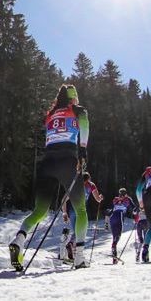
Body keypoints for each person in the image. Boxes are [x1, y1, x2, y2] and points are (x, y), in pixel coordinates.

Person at [9, 84, 90, 270]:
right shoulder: (78, 110)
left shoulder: (51, 114)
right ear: (73, 98)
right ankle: (79, 257)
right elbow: (84, 123)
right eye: (76, 97)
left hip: (47, 162)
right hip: (68, 160)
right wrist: (83, 151)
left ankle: (19, 240)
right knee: (81, 210)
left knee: (39, 211)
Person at [59, 172, 102, 264]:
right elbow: (97, 199)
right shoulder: (91, 185)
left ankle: (72, 254)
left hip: (72, 211)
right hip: (81, 212)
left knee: (75, 232)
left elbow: (63, 200)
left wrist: (65, 213)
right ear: (88, 179)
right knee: (80, 233)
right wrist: (100, 198)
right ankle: (75, 253)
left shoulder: (74, 185)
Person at [108, 187, 137, 262]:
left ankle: (114, 257)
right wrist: (135, 216)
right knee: (118, 235)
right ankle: (114, 246)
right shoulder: (128, 199)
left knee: (114, 236)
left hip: (112, 218)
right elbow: (134, 208)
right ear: (125, 194)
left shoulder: (115, 199)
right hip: (119, 216)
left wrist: (106, 222)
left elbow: (110, 210)